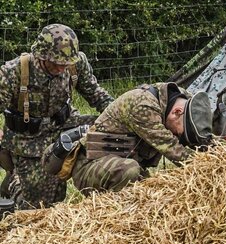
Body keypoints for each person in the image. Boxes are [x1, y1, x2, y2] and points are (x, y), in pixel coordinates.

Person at [0, 23, 113, 209]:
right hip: (27, 140)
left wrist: (119, 114)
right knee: (37, 209)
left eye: (65, 64)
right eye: (56, 63)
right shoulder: (14, 72)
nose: (62, 68)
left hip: (65, 125)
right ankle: (13, 180)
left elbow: (95, 94)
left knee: (111, 131)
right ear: (42, 56)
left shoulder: (76, 63)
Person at [68, 83, 213, 194]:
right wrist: (211, 169)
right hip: (90, 166)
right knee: (130, 171)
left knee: (155, 192)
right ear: (177, 112)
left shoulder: (180, 98)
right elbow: (174, 151)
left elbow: (201, 134)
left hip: (123, 162)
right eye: (179, 133)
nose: (177, 136)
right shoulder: (143, 106)